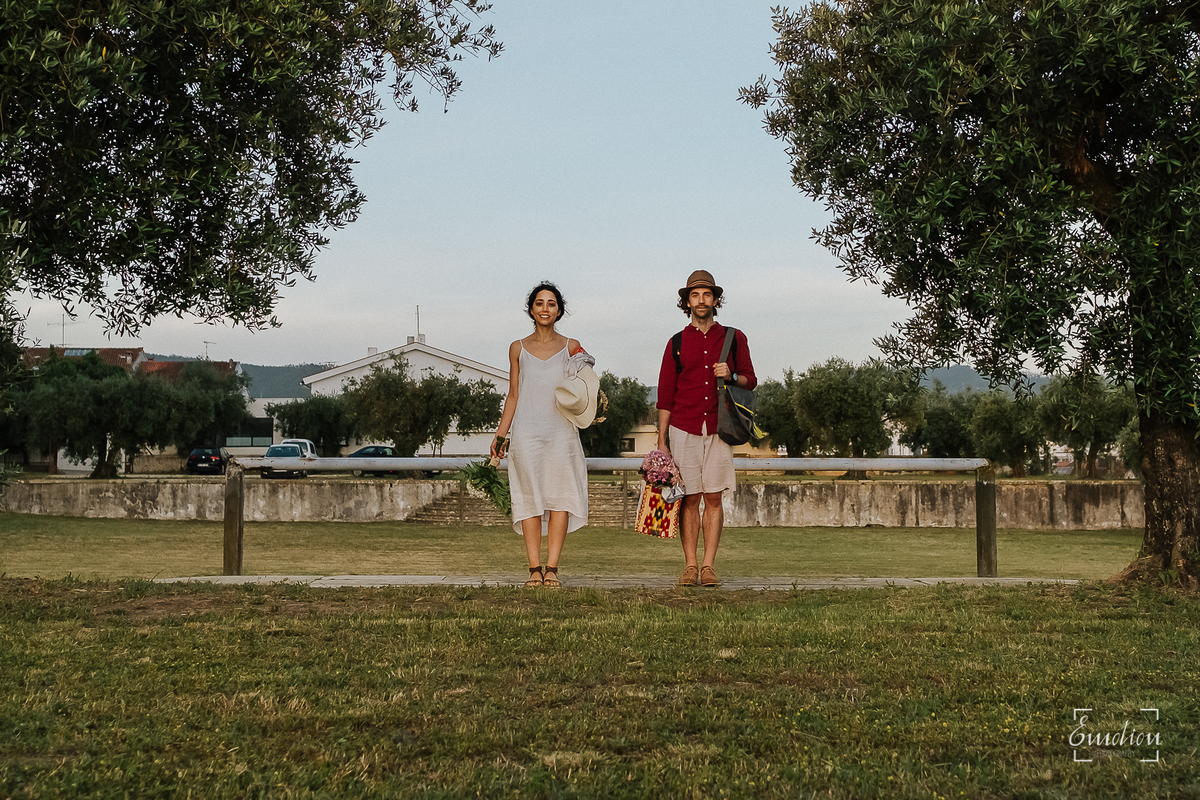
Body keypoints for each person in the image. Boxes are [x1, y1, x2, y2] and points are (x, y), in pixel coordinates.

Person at [656, 270, 756, 587]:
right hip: (683, 427)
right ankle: (690, 566)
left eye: (707, 295)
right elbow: (665, 395)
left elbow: (750, 381)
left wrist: (731, 375)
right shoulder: (676, 342)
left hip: (718, 427)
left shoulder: (734, 338)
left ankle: (709, 566)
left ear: (715, 300)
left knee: (713, 498)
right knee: (689, 498)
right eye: (695, 295)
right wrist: (661, 440)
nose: (701, 300)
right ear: (687, 302)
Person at [491, 282, 589, 588]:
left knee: (560, 497)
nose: (545, 308)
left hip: (562, 433)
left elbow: (587, 383)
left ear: (559, 310)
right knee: (529, 497)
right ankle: (534, 568)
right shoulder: (517, 348)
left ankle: (552, 569)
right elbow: (513, 394)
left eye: (551, 303)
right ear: (531, 309)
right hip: (527, 434)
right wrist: (500, 435)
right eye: (539, 303)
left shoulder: (571, 346)